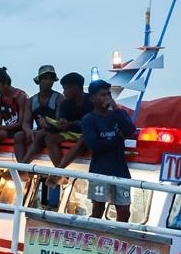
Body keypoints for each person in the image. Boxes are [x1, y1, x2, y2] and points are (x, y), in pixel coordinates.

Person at [80, 79, 136, 222]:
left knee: (124, 212)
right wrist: (118, 139)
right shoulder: (88, 120)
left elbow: (130, 130)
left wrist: (116, 109)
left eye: (109, 94)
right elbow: (95, 146)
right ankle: (94, 238)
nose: (107, 98)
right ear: (93, 98)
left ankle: (120, 240)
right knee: (98, 210)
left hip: (120, 171)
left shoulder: (118, 114)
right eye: (103, 95)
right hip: (100, 171)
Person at [17, 72, 92, 169]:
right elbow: (60, 122)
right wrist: (52, 125)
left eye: (65, 88)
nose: (64, 92)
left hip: (87, 132)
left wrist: (68, 125)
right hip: (70, 131)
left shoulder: (91, 100)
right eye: (45, 79)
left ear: (76, 88)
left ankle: (59, 171)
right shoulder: (65, 103)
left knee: (84, 139)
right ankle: (57, 172)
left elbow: (91, 123)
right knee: (48, 137)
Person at [13, 65, 63, 163]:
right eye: (45, 78)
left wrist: (48, 125)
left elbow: (59, 123)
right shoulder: (31, 101)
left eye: (51, 79)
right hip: (39, 131)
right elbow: (26, 122)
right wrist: (28, 131)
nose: (48, 81)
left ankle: (22, 168)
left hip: (54, 131)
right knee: (18, 135)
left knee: (41, 134)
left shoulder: (59, 98)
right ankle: (22, 167)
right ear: (39, 80)